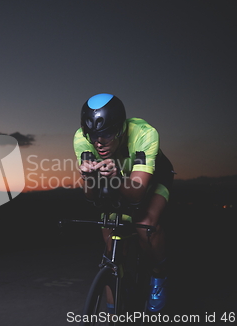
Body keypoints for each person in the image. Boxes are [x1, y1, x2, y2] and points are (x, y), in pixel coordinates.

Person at [73, 93, 174, 312]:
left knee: (147, 226)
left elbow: (137, 193)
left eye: (107, 133)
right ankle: (114, 309)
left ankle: (159, 276)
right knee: (111, 246)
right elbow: (91, 196)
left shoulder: (145, 133)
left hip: (151, 180)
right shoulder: (82, 139)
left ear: (120, 128)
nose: (99, 142)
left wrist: (117, 178)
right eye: (93, 135)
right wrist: (89, 177)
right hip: (115, 178)